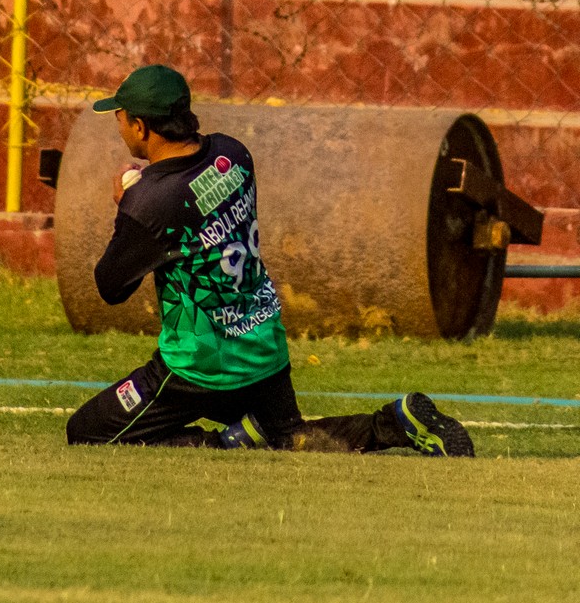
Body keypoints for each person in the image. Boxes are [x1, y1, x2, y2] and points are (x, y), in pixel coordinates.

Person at [65, 64, 473, 457]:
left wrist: (128, 208)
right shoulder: (233, 153)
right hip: (263, 350)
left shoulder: (150, 202)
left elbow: (111, 287)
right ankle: (396, 423)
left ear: (140, 127)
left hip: (199, 369)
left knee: (86, 432)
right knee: (291, 438)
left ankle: (224, 445)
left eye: (120, 119)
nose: (119, 128)